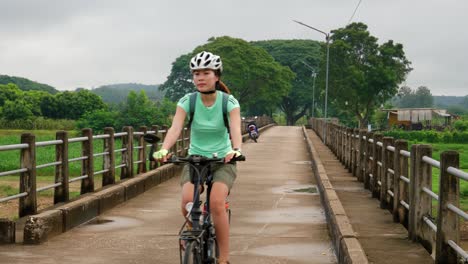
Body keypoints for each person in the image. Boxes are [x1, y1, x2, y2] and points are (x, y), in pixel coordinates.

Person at [153, 51, 242, 264]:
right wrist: (164, 149)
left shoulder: (228, 102)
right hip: (195, 159)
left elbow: (235, 128)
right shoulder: (187, 101)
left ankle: (224, 259)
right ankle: (194, 230)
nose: (200, 78)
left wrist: (236, 149)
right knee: (186, 201)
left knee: (216, 203)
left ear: (217, 76)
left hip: (223, 161)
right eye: (196, 74)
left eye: (206, 73)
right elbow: (176, 128)